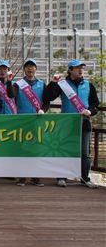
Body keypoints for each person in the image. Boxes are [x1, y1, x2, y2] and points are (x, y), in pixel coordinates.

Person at [43, 59, 99, 189]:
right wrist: (53, 83)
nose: (80, 70)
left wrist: (90, 111)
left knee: (84, 152)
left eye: (81, 68)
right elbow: (48, 97)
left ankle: (85, 178)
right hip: (66, 123)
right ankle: (61, 177)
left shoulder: (88, 85)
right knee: (64, 150)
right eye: (76, 68)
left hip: (84, 123)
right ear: (70, 70)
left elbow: (95, 103)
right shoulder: (62, 85)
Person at [8, 58, 47, 187]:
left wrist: (43, 109)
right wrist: (9, 82)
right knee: (23, 148)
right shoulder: (18, 84)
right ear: (24, 69)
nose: (30, 69)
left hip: (38, 120)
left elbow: (46, 101)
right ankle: (22, 176)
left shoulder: (42, 84)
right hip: (22, 121)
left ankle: (36, 176)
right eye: (28, 66)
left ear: (36, 69)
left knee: (37, 148)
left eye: (32, 66)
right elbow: (11, 95)